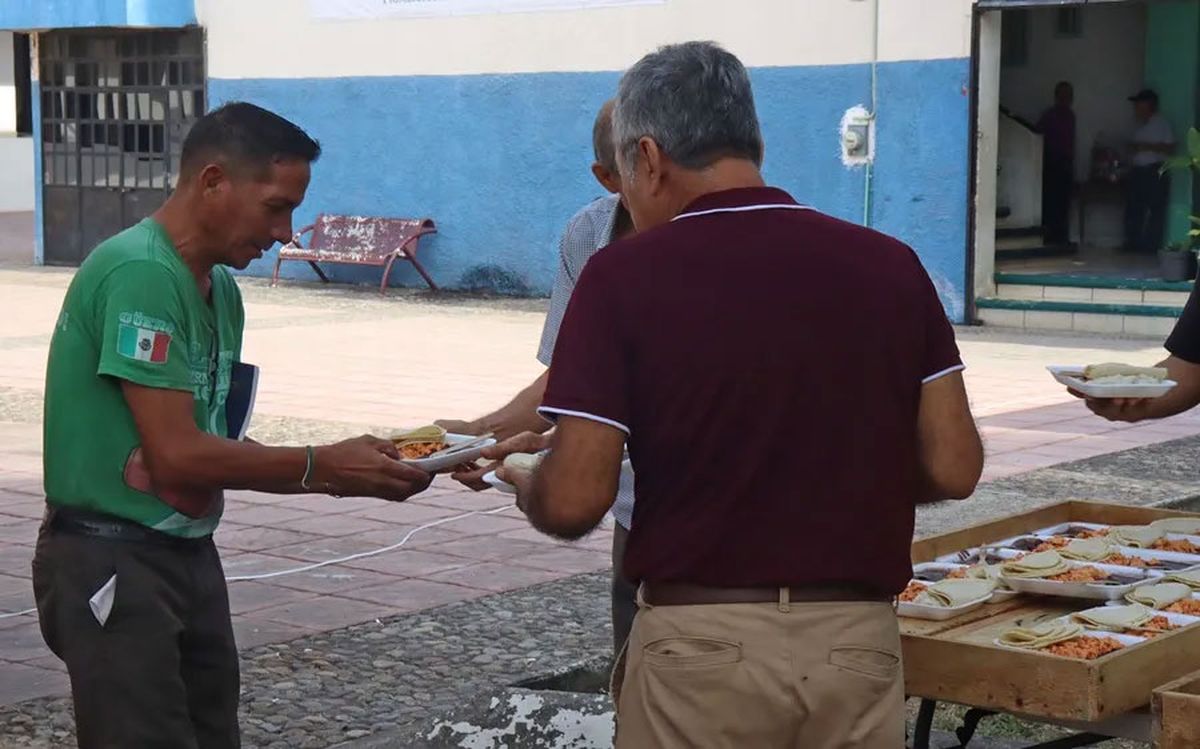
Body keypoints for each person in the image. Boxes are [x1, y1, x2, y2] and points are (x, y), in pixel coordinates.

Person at [485, 41, 984, 747]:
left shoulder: (621, 278)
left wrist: (525, 482)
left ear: (649, 159)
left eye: (625, 178)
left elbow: (573, 499)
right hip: (856, 648)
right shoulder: (892, 267)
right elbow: (956, 466)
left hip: (701, 651)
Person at [33, 102, 433, 749]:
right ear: (212, 181)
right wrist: (319, 465)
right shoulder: (141, 273)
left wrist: (353, 467)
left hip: (185, 550)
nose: (285, 232)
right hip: (112, 555)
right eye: (275, 207)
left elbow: (212, 443)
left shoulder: (221, 287)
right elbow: (177, 457)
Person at [438, 99, 640, 656]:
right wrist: (480, 433)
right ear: (610, 176)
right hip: (639, 514)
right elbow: (571, 378)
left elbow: (571, 503)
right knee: (636, 680)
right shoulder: (590, 234)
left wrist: (546, 469)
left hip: (719, 527)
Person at [1124, 88, 1175, 253]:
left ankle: (1151, 248)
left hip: (1155, 171)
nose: (1136, 108)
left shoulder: (1161, 124)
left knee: (1155, 211)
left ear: (1148, 105)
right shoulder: (1141, 126)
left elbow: (1170, 148)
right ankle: (1133, 244)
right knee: (1134, 209)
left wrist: (1146, 146)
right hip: (1139, 172)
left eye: (1139, 104)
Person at [1037, 81, 1076, 247]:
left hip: (1065, 164)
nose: (1065, 98)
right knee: (1050, 202)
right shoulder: (1049, 115)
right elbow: (1038, 135)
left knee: (1063, 203)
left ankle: (1061, 237)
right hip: (1051, 163)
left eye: (1068, 95)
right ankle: (1049, 237)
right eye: (1062, 94)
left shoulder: (1071, 116)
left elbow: (1071, 141)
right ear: (1056, 96)